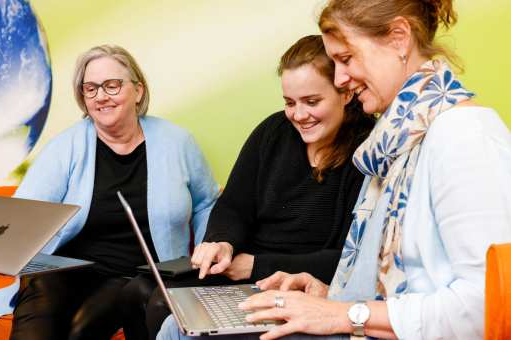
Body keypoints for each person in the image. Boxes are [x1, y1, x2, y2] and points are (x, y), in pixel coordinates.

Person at [157, 0, 511, 339]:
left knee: (179, 331)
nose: (340, 78)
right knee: (178, 323)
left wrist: (345, 313)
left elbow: (493, 308)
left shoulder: (465, 135)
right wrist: (329, 293)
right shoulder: (401, 141)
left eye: (346, 58)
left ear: (399, 38)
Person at [0, 44, 219, 340]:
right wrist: (2, 243)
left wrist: (206, 259)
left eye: (112, 85)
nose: (101, 96)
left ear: (138, 91)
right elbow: (23, 211)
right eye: (90, 89)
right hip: (73, 271)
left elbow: (207, 202)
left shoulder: (178, 142)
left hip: (139, 276)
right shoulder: (65, 147)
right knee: (40, 287)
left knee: (82, 329)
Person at [142, 34, 374, 339]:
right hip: (242, 271)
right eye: (290, 103)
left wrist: (256, 267)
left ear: (345, 93)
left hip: (301, 282)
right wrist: (221, 242)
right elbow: (233, 207)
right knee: (146, 293)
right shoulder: (273, 132)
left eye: (312, 101)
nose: (299, 115)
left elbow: (350, 257)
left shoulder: (367, 152)